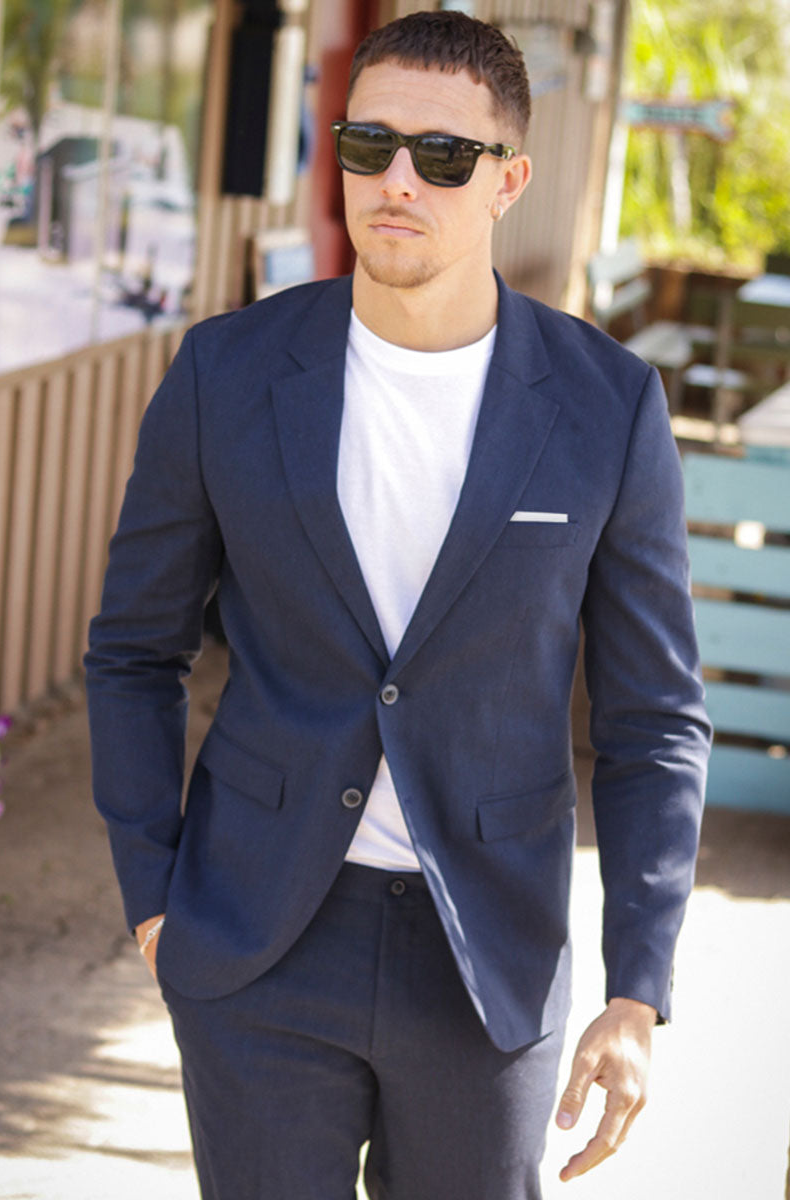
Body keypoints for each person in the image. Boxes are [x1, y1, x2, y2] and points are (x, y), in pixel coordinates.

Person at [85, 11, 710, 1199]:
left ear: (507, 180)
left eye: (442, 156)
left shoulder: (606, 406)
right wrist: (154, 900)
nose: (396, 182)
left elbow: (652, 722)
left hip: (487, 957)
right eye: (368, 145)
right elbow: (132, 650)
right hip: (257, 939)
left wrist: (637, 988)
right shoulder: (226, 372)